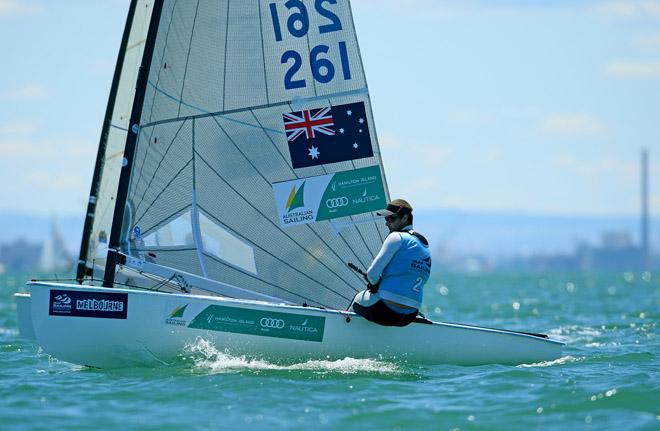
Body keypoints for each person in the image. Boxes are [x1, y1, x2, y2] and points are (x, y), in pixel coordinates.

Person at [352, 199, 432, 326]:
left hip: (385, 311)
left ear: (405, 218)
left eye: (391, 219)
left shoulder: (396, 237)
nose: (387, 223)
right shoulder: (424, 244)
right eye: (386, 219)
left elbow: (372, 274)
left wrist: (374, 284)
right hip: (409, 316)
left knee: (357, 299)